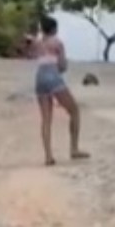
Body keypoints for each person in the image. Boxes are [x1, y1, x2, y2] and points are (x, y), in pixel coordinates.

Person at [30, 15, 89, 166]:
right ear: (54, 29)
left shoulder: (37, 43)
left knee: (46, 119)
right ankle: (74, 148)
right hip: (53, 77)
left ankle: (48, 156)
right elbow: (62, 66)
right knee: (74, 111)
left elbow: (31, 54)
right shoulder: (57, 43)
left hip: (40, 78)